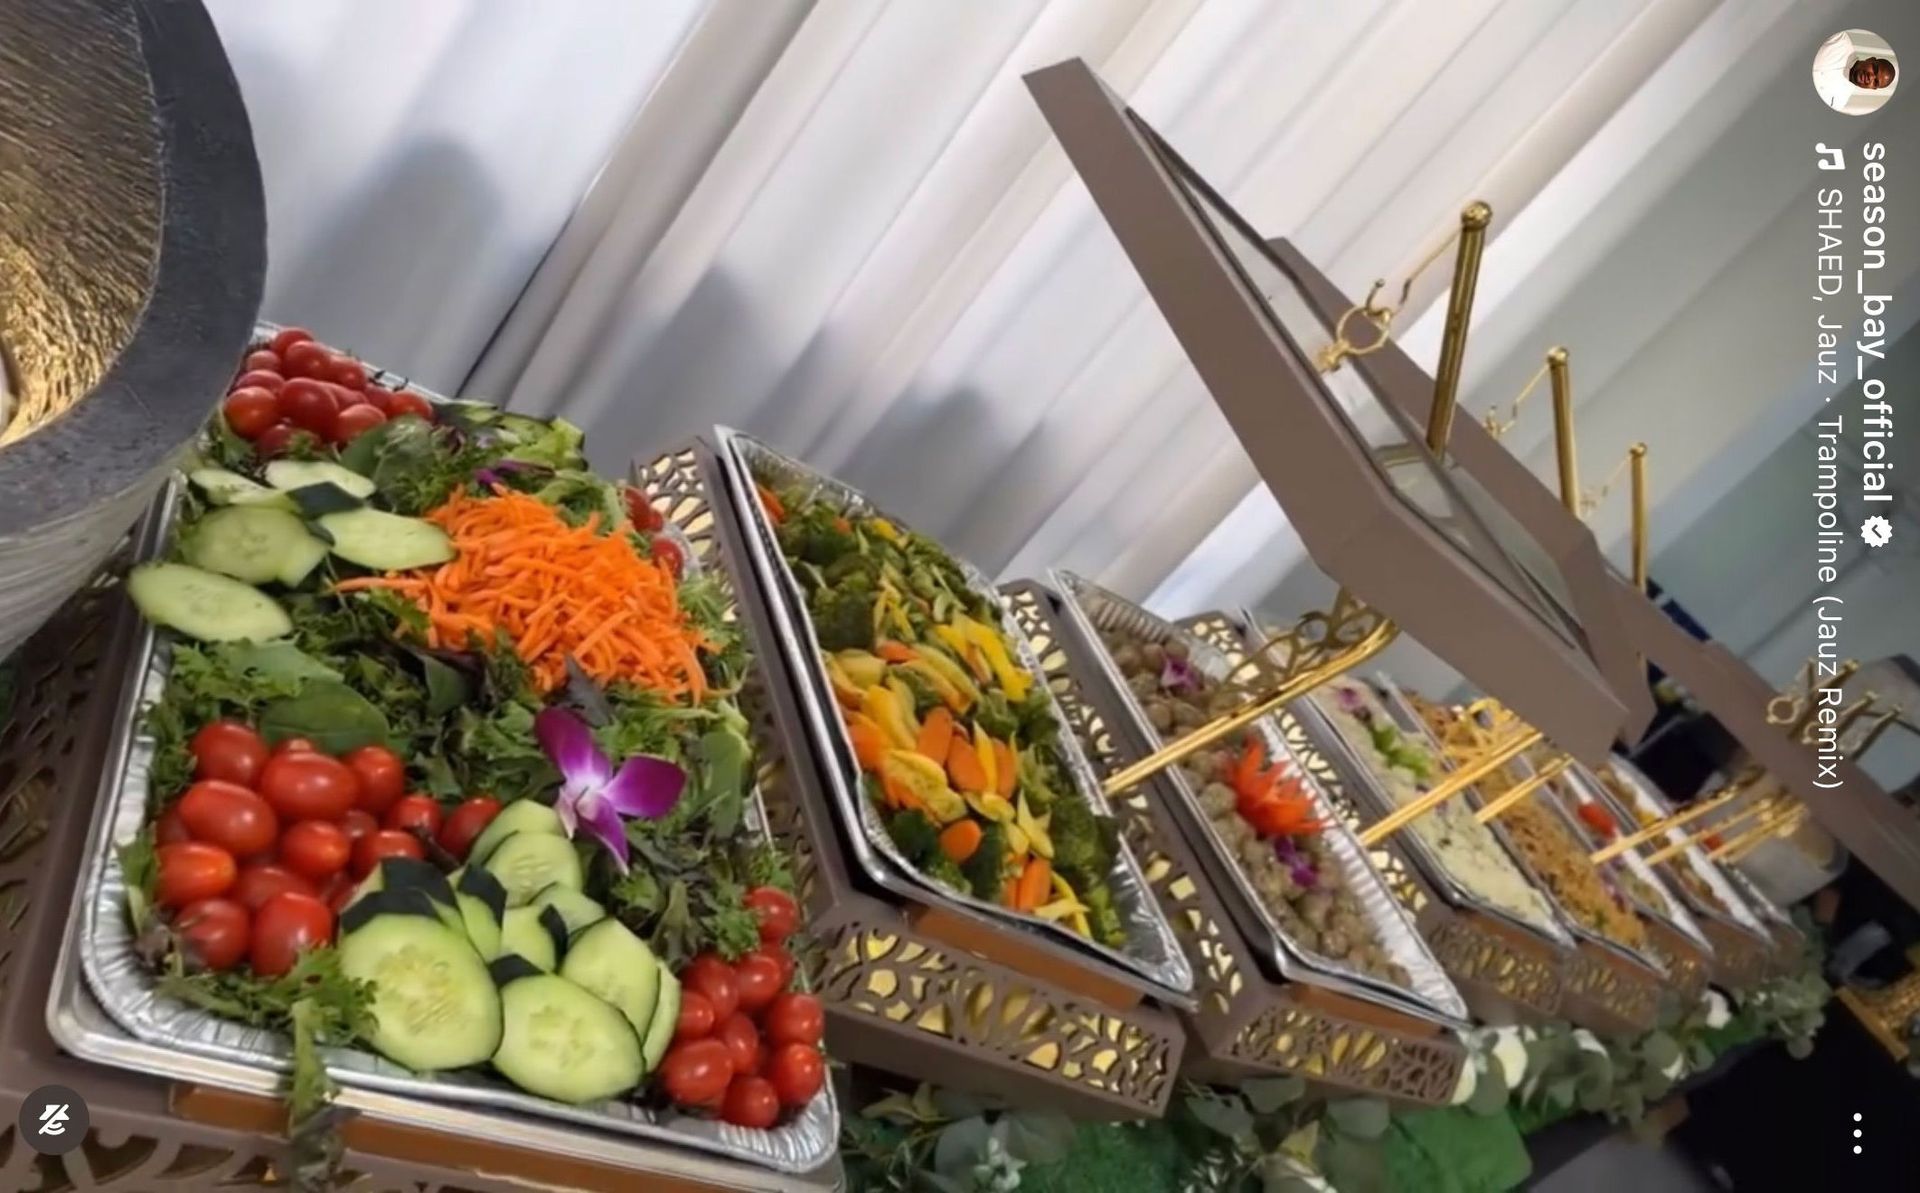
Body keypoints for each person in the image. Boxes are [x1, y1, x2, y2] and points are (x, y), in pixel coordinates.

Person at [1812, 30, 1899, 114]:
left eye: (1875, 82)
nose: (1871, 77)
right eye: (1875, 69)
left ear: (1872, 88)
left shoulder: (1838, 102)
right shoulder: (1840, 39)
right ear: (1870, 59)